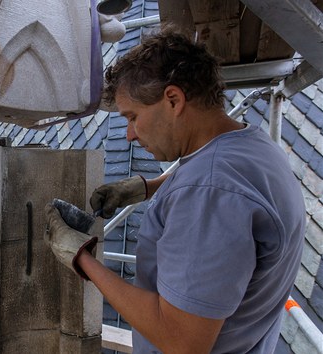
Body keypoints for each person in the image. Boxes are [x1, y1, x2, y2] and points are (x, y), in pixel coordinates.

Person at [45, 30, 305, 353]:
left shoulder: (208, 194)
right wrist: (144, 188)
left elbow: (181, 339)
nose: (128, 135)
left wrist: (80, 257)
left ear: (173, 100)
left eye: (133, 117)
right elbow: (219, 179)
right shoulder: (251, 145)